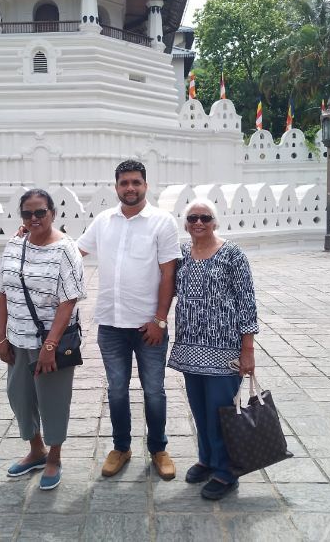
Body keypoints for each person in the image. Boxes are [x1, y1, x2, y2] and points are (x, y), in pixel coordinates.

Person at [77, 160, 181, 480]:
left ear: (146, 185)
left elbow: (169, 274)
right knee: (117, 391)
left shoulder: (162, 222)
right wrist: (34, 231)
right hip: (111, 324)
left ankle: (158, 449)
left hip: (149, 326)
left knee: (154, 391)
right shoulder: (104, 221)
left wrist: (160, 320)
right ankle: (121, 447)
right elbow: (73, 251)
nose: (130, 188)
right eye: (124, 183)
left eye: (136, 182)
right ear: (116, 187)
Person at [0, 189, 86, 490]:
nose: (34, 219)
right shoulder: (12, 246)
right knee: (19, 397)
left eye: (40, 213)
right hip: (18, 340)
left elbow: (69, 300)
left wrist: (50, 346)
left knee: (53, 401)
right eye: (27, 214)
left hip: (52, 342)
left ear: (53, 213)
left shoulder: (66, 249)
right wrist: (0, 337)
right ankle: (36, 450)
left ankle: (54, 457)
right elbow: (1, 292)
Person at [167, 198, 258, 500]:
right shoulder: (182, 254)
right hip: (191, 348)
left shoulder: (232, 254)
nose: (198, 223)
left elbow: (247, 302)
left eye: (205, 218)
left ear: (215, 222)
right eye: (192, 218)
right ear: (185, 224)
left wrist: (248, 349)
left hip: (224, 348)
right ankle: (207, 459)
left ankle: (226, 471)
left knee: (222, 412)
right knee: (200, 409)